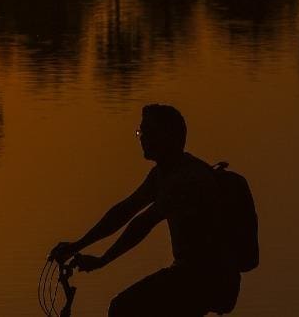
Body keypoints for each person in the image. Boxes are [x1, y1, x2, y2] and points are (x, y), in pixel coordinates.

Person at [49, 104, 241, 317]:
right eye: (140, 132)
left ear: (169, 136)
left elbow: (143, 224)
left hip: (207, 277)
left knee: (122, 308)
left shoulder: (186, 178)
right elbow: (124, 211)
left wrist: (103, 260)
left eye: (148, 132)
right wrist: (77, 244)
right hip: (189, 273)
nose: (141, 138)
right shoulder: (162, 173)